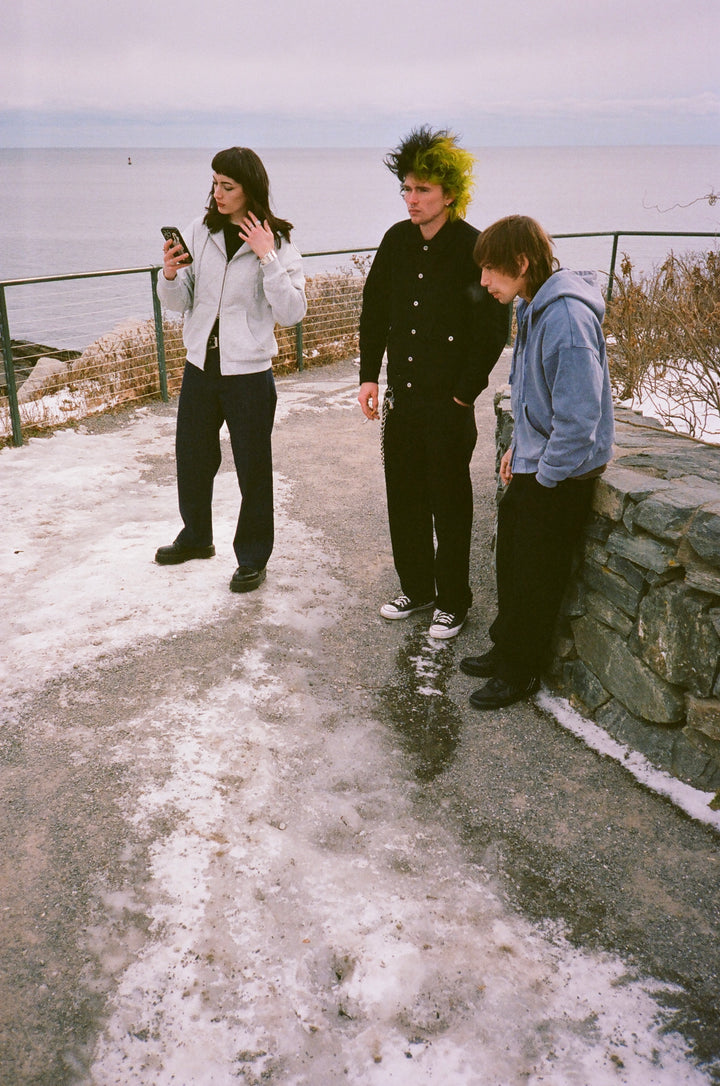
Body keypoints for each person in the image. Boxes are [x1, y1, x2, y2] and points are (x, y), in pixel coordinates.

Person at [358, 127, 509, 639]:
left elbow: (492, 328)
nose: (411, 199)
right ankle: (418, 589)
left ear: (449, 192)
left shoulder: (474, 246)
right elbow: (374, 310)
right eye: (406, 188)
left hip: (449, 403)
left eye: (422, 189)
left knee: (449, 501)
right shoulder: (396, 241)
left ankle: (454, 600)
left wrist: (465, 392)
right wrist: (367, 377)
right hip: (401, 399)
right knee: (404, 496)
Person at [461, 215, 615, 709]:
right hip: (540, 460)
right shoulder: (533, 307)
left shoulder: (566, 318)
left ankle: (520, 671)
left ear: (522, 263)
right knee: (511, 553)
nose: (484, 282)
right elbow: (535, 395)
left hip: (564, 473)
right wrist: (517, 446)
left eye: (491, 270)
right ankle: (507, 646)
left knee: (536, 573)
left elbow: (580, 418)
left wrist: (544, 475)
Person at [155, 146, 306, 592]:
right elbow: (181, 303)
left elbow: (293, 311)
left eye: (228, 186)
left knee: (252, 468)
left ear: (249, 189)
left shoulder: (278, 241)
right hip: (201, 365)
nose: (217, 193)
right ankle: (197, 537)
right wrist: (168, 275)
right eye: (215, 184)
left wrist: (267, 257)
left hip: (249, 373)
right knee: (193, 458)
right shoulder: (198, 231)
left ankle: (253, 556)